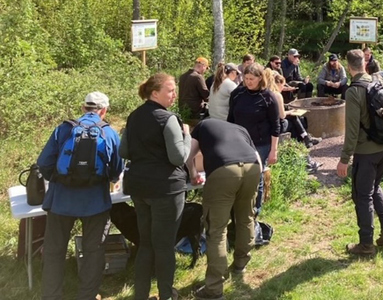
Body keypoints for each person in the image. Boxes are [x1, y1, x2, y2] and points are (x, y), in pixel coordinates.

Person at [37, 92, 123, 300]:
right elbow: (116, 170)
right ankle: (87, 295)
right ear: (104, 111)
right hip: (95, 202)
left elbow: (44, 163)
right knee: (94, 251)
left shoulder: (64, 129)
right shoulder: (109, 132)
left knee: (55, 249)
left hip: (61, 200)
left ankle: (52, 295)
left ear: (83, 108)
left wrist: (60, 180)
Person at [121, 73, 192, 300]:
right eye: (170, 90)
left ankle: (140, 295)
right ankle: (165, 295)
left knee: (145, 244)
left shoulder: (133, 116)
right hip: (166, 190)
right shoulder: (168, 119)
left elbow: (123, 152)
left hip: (139, 188)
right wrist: (187, 136)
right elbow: (178, 157)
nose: (174, 94)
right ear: (155, 93)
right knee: (163, 246)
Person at [186, 119, 262, 300]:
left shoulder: (202, 126)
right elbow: (257, 157)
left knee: (217, 229)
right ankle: (241, 264)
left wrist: (193, 173)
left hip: (224, 171)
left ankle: (214, 288)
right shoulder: (241, 128)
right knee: (246, 218)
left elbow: (188, 154)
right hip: (253, 168)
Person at [337, 49, 383, 255]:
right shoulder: (378, 81)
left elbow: (352, 131)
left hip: (367, 152)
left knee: (362, 196)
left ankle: (366, 244)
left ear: (348, 67)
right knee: (375, 187)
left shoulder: (354, 91)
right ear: (364, 63)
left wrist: (344, 159)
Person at [228, 63, 280, 216]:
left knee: (255, 177)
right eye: (246, 78)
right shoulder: (237, 94)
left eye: (252, 78)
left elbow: (275, 125)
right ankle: (239, 208)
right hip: (238, 142)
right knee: (238, 176)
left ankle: (254, 211)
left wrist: (273, 150)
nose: (248, 81)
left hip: (260, 144)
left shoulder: (268, 97)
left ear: (260, 78)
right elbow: (230, 119)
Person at [179, 57, 211, 125]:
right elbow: (206, 95)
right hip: (195, 112)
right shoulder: (198, 77)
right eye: (206, 68)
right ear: (203, 66)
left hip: (182, 110)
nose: (205, 71)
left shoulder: (182, 76)